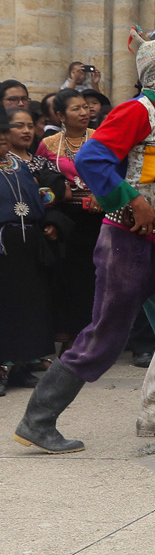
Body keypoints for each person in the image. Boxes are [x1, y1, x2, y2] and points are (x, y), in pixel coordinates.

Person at [13, 28, 155, 453]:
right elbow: (91, 158)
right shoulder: (136, 111)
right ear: (151, 76)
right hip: (126, 240)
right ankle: (38, 420)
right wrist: (131, 199)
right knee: (103, 339)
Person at [0, 108, 61, 396]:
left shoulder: (19, 163)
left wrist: (45, 210)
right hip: (3, 242)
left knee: (29, 302)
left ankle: (23, 365)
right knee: (6, 304)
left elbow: (39, 196)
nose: (2, 141)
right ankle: (3, 368)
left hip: (29, 241)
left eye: (3, 137)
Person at [37, 89, 103, 350]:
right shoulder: (48, 144)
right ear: (61, 115)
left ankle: (94, 334)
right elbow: (41, 182)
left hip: (97, 217)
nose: (84, 112)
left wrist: (103, 194)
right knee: (67, 276)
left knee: (93, 275)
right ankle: (71, 335)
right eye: (76, 109)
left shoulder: (100, 139)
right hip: (64, 218)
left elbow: (115, 170)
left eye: (86, 107)